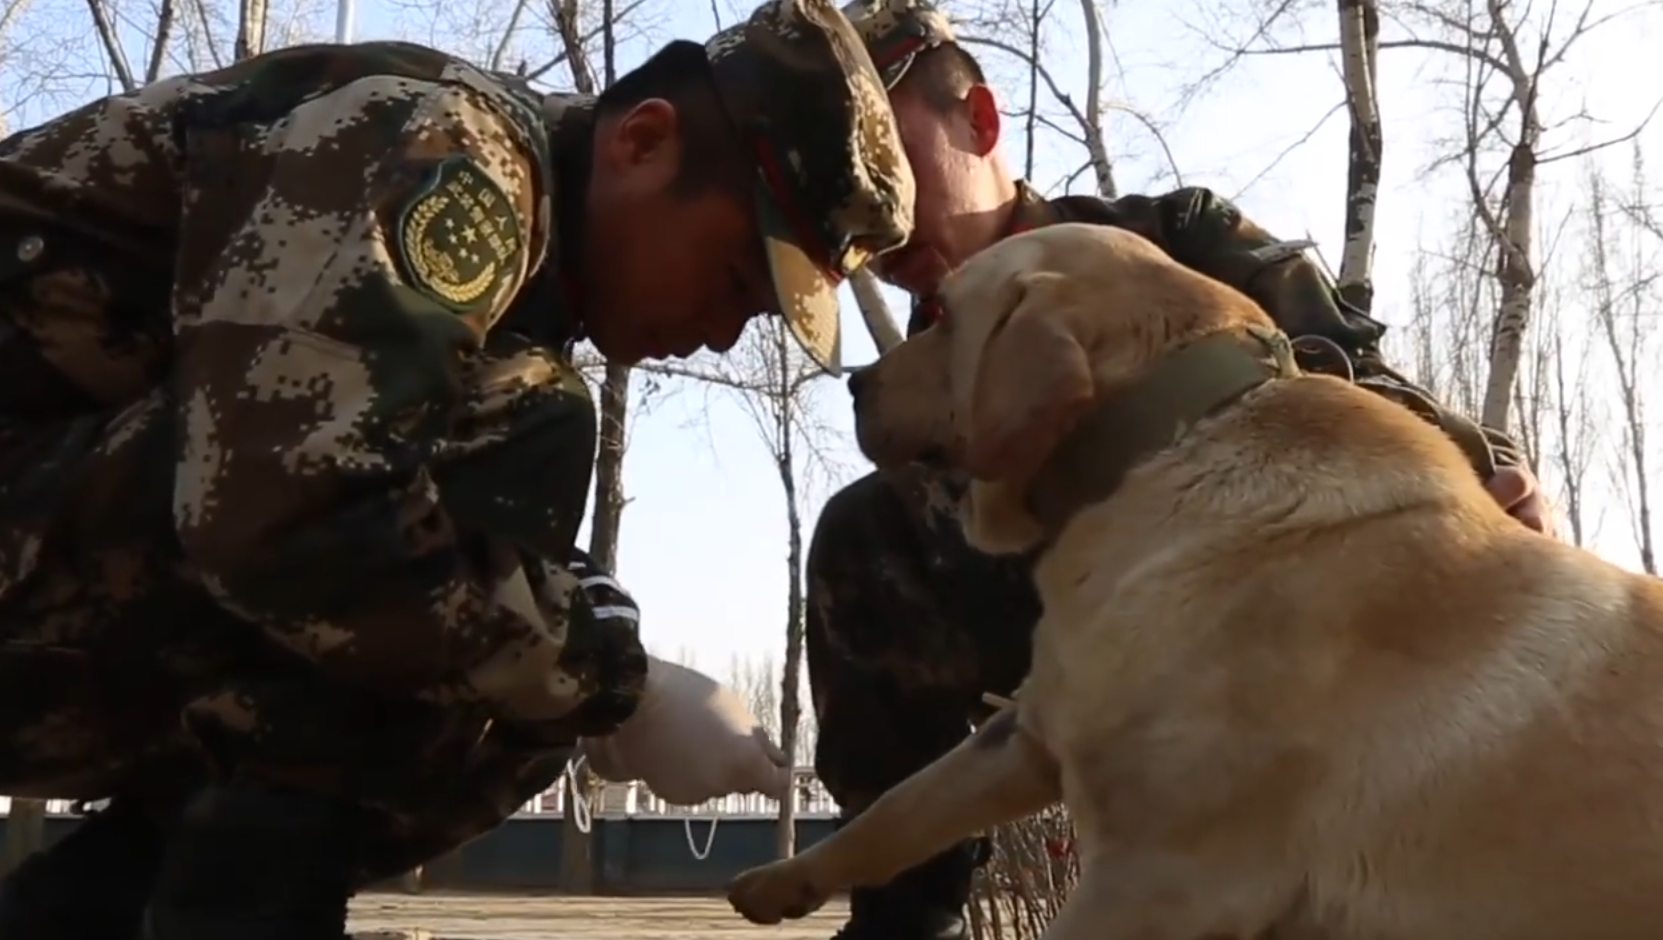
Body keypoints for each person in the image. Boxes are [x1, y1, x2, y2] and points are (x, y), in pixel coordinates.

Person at [0, 0, 913, 935]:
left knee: (533, 618)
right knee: (521, 451)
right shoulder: (446, 148)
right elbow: (286, 501)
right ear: (642, 141)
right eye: (733, 278)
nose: (723, 336)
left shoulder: (521, 256)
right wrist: (621, 688)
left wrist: (587, 662)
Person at [806, 2, 1555, 938]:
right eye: (848, 190)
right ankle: (908, 919)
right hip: (1085, 635)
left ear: (980, 122)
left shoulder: (1167, 245)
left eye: (890, 163)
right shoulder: (920, 390)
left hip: (1276, 603)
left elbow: (1344, 372)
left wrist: (1483, 466)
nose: (875, 210)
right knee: (866, 534)